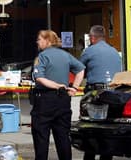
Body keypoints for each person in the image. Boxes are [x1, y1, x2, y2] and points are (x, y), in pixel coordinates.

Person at [31, 30, 85, 160]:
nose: (37, 42)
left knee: (41, 137)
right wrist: (74, 88)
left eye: (39, 39)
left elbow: (39, 78)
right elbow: (81, 69)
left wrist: (57, 85)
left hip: (44, 100)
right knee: (63, 137)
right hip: (63, 100)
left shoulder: (42, 56)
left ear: (47, 41)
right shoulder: (66, 55)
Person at [79, 25, 122, 160]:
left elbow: (79, 69)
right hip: (113, 91)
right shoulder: (114, 51)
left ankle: (90, 155)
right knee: (108, 127)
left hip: (96, 92)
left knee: (91, 128)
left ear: (92, 38)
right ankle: (106, 156)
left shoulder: (89, 51)